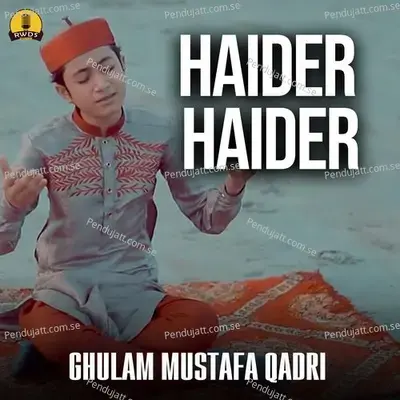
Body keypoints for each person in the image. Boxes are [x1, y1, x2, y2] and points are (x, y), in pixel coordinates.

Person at [0, 17, 255, 382]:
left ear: (123, 65)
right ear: (64, 93)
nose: (102, 84)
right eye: (83, 78)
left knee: (199, 322)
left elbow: (207, 219)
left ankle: (88, 362)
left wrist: (234, 183)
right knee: (53, 329)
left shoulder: (160, 133)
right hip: (64, 290)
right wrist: (11, 205)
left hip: (135, 287)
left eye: (108, 67)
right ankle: (159, 368)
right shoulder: (42, 142)